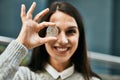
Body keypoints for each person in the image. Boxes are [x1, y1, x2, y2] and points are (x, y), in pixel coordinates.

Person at [0, 1, 102, 80]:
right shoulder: (24, 76)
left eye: (71, 31)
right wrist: (21, 43)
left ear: (80, 36)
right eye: (54, 31)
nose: (63, 40)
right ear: (43, 34)